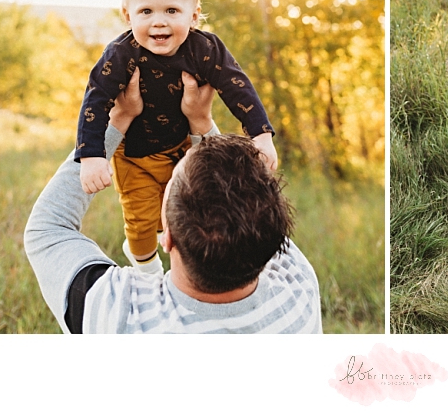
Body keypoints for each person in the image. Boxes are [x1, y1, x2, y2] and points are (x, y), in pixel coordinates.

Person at [24, 70, 322, 334]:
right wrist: (201, 122)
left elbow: (47, 229)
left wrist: (117, 120)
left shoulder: (121, 317)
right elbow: (251, 196)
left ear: (166, 239)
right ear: (275, 236)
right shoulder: (297, 285)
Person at [76, 0, 277, 276]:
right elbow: (95, 99)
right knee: (142, 221)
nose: (159, 22)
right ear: (127, 16)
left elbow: (238, 87)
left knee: (179, 214)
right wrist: (91, 156)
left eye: (171, 11)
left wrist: (261, 136)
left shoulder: (205, 49)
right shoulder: (121, 54)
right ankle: (147, 269)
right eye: (146, 11)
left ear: (193, 16)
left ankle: (183, 262)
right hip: (134, 157)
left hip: (181, 150)